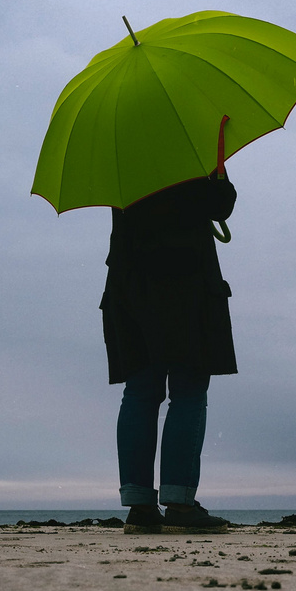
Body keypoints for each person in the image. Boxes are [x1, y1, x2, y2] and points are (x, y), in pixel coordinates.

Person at [100, 168, 238, 534]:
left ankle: (141, 506)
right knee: (189, 392)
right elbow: (220, 205)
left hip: (131, 285)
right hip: (185, 283)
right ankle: (179, 503)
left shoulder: (120, 150)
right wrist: (218, 175)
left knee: (141, 394)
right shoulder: (187, 149)